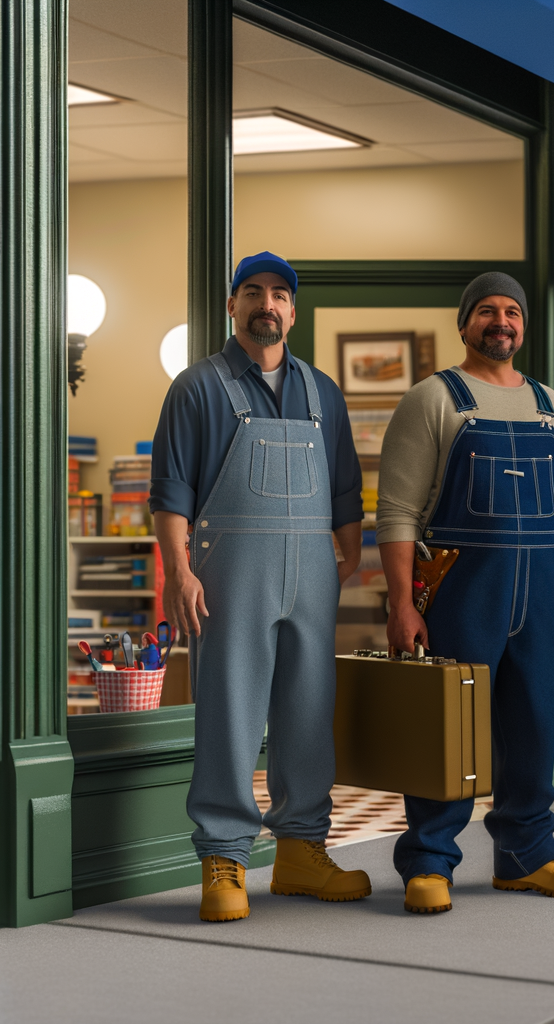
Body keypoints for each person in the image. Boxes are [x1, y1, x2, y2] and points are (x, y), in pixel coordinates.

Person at [152, 251, 369, 922]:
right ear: (232, 306)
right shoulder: (198, 386)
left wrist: (350, 553)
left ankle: (302, 853)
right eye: (253, 292)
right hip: (229, 569)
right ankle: (224, 857)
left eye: (279, 294)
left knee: (309, 712)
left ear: (293, 311)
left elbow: (342, 485)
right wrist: (180, 571)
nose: (266, 303)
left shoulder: (322, 391)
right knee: (230, 711)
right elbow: (171, 491)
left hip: (312, 568)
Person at [379, 271, 554, 914]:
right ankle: (428, 860)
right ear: (464, 324)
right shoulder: (433, 399)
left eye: (511, 312)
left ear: (524, 326)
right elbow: (395, 512)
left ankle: (526, 856)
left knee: (534, 726)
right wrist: (402, 604)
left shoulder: (552, 407)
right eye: (485, 311)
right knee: (442, 728)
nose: (500, 322)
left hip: (541, 593)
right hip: (458, 589)